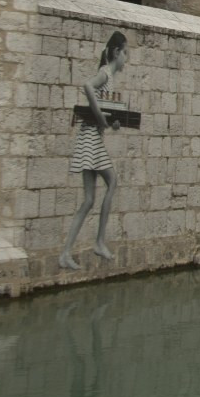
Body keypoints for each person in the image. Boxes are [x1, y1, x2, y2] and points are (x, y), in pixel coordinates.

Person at [59, 31, 128, 271]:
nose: (126, 59)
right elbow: (87, 85)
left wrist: (112, 122)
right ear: (117, 53)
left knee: (88, 200)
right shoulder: (105, 73)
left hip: (90, 137)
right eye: (125, 53)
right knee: (112, 180)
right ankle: (99, 241)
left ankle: (66, 253)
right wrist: (101, 118)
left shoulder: (110, 78)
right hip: (90, 137)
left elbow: (106, 115)